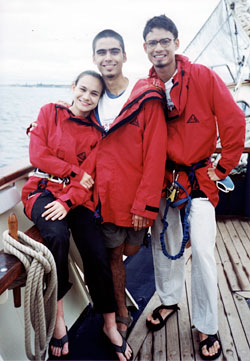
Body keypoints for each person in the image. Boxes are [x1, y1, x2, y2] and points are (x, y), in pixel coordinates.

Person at [142, 15, 245, 360]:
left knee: (201, 251)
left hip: (200, 180)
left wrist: (223, 166)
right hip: (164, 180)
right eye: (152, 42)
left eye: (164, 41)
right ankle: (169, 299)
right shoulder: (146, 87)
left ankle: (206, 323)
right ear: (145, 48)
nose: (159, 48)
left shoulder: (202, 76)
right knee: (164, 245)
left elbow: (233, 120)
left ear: (175, 43)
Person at [22, 70, 133, 361]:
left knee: (97, 252)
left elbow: (90, 180)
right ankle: (59, 320)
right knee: (56, 236)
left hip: (76, 200)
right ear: (73, 87)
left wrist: (69, 201)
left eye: (94, 94)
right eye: (82, 89)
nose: (86, 97)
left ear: (99, 100)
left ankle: (110, 323)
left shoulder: (98, 134)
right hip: (42, 191)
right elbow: (37, 155)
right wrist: (73, 172)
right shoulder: (49, 113)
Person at [81, 29, 168, 340]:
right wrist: (39, 125)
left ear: (124, 56)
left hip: (136, 200)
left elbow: (156, 153)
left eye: (114, 51)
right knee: (113, 255)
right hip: (104, 198)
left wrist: (145, 204)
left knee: (132, 248)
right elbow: (67, 119)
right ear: (94, 58)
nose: (108, 58)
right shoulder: (93, 98)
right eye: (101, 52)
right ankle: (121, 309)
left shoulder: (145, 97)